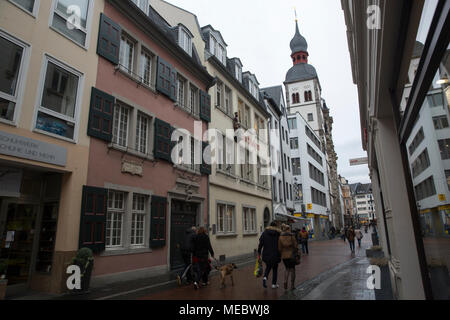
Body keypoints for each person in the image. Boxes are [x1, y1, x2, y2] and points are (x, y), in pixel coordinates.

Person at [258, 221, 281, 289]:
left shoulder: (265, 233)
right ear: (276, 226)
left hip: (266, 254)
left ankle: (265, 278)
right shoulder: (278, 233)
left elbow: (261, 243)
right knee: (275, 269)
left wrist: (259, 251)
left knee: (268, 267)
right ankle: (274, 284)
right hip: (275, 254)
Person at [278, 224, 299, 291]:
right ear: (288, 229)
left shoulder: (280, 237)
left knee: (287, 269)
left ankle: (285, 281)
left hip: (284, 256)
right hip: (291, 255)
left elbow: (279, 248)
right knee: (292, 269)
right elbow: (295, 245)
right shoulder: (291, 236)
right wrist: (297, 251)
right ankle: (292, 285)